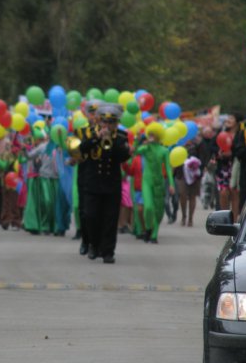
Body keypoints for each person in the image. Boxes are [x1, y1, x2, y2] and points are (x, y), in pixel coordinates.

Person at [78, 104, 131, 263]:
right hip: (92, 183)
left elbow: (123, 157)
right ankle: (93, 244)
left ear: (116, 123)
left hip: (111, 184)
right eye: (104, 122)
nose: (107, 126)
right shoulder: (89, 134)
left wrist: (111, 141)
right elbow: (82, 149)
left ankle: (108, 252)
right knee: (91, 216)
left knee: (110, 219)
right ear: (99, 122)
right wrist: (97, 138)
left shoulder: (121, 136)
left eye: (111, 123)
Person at [72, 99, 103, 254]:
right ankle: (86, 241)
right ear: (86, 113)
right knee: (84, 210)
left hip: (101, 174)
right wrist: (74, 156)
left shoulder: (106, 130)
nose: (94, 116)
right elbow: (75, 153)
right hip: (85, 173)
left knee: (99, 211)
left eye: (96, 113)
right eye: (91, 112)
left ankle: (97, 242)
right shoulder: (81, 131)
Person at [134, 126, 175, 243]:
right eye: (149, 134)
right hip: (146, 182)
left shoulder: (164, 150)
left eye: (153, 134)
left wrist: (171, 184)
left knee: (158, 210)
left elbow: (168, 168)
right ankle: (148, 228)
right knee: (148, 208)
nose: (150, 136)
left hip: (159, 183)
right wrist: (137, 139)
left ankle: (154, 234)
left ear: (158, 136)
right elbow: (135, 151)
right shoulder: (145, 148)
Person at [214, 113, 241, 222]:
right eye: (228, 118)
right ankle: (225, 220)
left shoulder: (241, 135)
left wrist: (232, 153)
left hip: (235, 166)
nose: (228, 120)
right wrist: (219, 154)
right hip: (223, 168)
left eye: (231, 117)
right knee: (223, 193)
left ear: (237, 122)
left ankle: (234, 221)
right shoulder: (221, 133)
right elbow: (213, 148)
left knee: (235, 194)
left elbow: (240, 149)